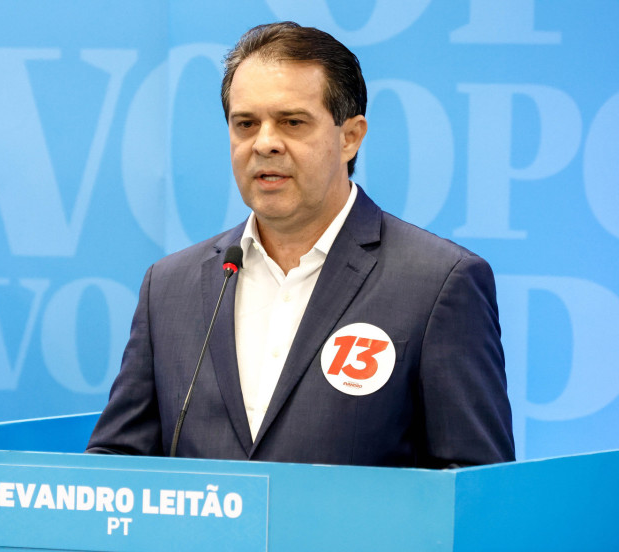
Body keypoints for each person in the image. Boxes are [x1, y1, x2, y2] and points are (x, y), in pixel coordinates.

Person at [87, 21, 515, 468]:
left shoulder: (438, 283)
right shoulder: (169, 287)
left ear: (350, 137)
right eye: (246, 124)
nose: (265, 144)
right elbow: (117, 462)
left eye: (292, 122)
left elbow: (474, 484)